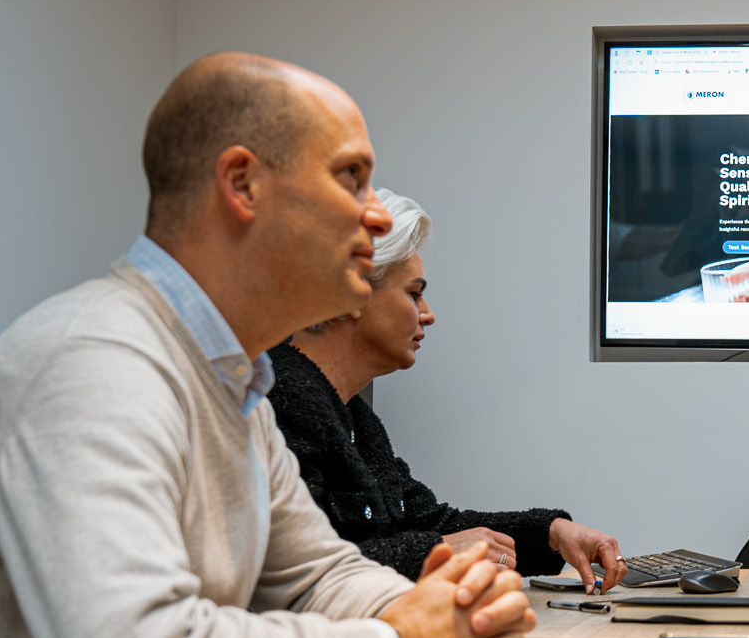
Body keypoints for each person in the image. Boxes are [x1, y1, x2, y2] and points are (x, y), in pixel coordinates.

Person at [0, 53, 536, 638]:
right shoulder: (99, 363)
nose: (378, 215)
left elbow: (312, 574)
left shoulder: (229, 381)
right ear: (242, 185)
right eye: (350, 177)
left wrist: (450, 616)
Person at [268, 189, 628, 593]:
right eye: (414, 293)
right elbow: (303, 571)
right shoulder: (280, 401)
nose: (428, 314)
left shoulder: (353, 414)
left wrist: (551, 533)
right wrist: (436, 552)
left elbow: (428, 523)